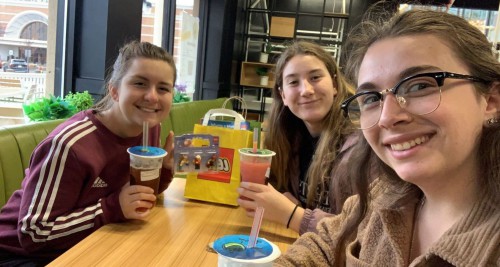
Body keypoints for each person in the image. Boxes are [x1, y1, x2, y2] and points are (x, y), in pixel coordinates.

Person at [276, 6, 500, 266]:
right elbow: (326, 244)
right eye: (372, 98)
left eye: (419, 85)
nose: (387, 117)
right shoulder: (385, 193)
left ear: (491, 100)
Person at [0, 40, 177, 265]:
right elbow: (34, 234)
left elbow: (135, 195)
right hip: (20, 257)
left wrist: (166, 171)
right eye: (140, 83)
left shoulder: (150, 129)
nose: (152, 96)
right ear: (114, 90)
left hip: (87, 245)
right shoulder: (69, 145)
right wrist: (112, 208)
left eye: (163, 88)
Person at [237, 40, 359, 235]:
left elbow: (364, 234)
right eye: (293, 82)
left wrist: (292, 214)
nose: (306, 90)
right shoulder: (288, 136)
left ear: (335, 84)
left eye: (315, 77)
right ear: (282, 94)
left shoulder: (361, 146)